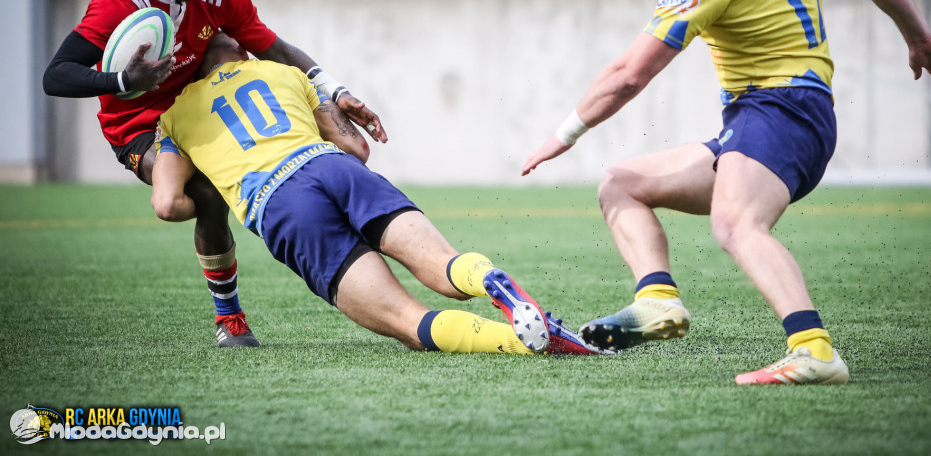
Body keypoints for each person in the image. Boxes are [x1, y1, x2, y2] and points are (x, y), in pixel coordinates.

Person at [521, 0, 931, 384]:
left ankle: (815, 351)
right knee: (622, 184)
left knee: (735, 223)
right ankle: (658, 303)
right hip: (783, 118)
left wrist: (565, 134)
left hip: (776, 112)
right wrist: (918, 39)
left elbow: (630, 74)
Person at [42, 0, 385, 348]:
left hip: (197, 109)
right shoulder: (118, 3)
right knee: (186, 200)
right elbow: (57, 74)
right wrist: (125, 80)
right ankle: (228, 206)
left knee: (226, 47)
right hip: (138, 125)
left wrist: (336, 91)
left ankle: (230, 318)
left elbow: (273, 49)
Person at [151, 33, 604, 356]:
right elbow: (356, 148)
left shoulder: (176, 115)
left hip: (281, 205)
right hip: (335, 168)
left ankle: (519, 344)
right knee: (443, 264)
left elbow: (169, 204)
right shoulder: (280, 72)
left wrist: (214, 188)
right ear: (243, 52)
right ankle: (491, 281)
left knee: (410, 323)